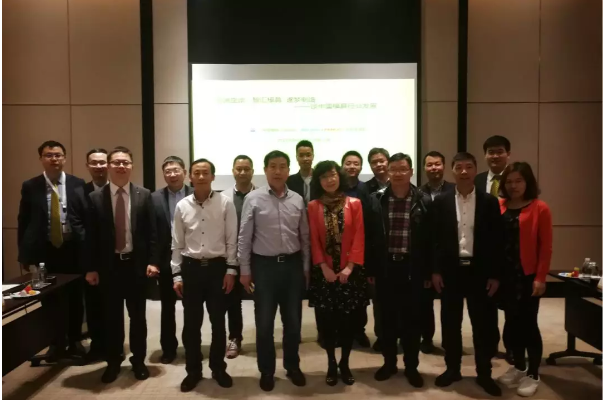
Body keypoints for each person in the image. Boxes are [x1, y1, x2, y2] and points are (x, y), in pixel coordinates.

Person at [431, 152, 504, 397]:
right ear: (452, 170)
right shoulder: (440, 201)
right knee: (450, 323)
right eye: (459, 167)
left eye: (468, 167)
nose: (464, 171)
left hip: (480, 271)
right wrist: (435, 270)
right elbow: (435, 240)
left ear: (475, 169)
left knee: (483, 324)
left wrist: (495, 275)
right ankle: (453, 369)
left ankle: (484, 373)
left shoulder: (489, 202)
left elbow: (497, 241)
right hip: (450, 271)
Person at [86, 146, 159, 383]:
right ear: (109, 166)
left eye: (125, 162)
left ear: (131, 166)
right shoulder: (95, 197)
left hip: (136, 266)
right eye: (116, 162)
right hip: (109, 268)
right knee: (112, 318)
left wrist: (153, 261)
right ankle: (113, 361)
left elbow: (152, 233)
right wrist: (91, 267)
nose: (121, 166)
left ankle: (138, 361)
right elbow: (90, 237)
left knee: (138, 317)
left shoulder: (144, 195)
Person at [238, 150, 310, 392]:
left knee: (293, 323)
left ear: (289, 170)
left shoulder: (297, 199)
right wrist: (245, 270)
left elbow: (304, 236)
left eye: (282, 166)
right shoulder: (253, 199)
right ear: (265, 169)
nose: (278, 171)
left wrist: (306, 268)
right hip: (264, 268)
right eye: (273, 166)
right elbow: (244, 237)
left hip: (292, 266)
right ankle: (266, 370)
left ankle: (292, 366)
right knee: (265, 323)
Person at [365, 153, 432, 388]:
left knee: (412, 321)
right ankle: (389, 363)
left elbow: (431, 241)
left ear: (411, 172)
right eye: (393, 169)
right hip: (385, 268)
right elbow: (370, 237)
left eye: (403, 169)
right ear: (388, 172)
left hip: (413, 268)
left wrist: (428, 272)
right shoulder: (376, 199)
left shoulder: (424, 200)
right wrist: (371, 267)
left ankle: (411, 367)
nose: (398, 173)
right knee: (387, 320)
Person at [171, 158, 237, 392]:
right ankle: (193, 370)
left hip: (217, 269)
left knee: (218, 322)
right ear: (190, 176)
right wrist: (176, 274)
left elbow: (231, 240)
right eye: (196, 173)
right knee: (191, 324)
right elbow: (177, 243)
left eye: (205, 173)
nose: (200, 177)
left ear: (213, 177)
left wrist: (231, 270)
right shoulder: (182, 206)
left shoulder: (225, 203)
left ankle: (218, 368)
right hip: (191, 269)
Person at [18, 140, 86, 361]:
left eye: (58, 155)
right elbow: (24, 220)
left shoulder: (77, 183)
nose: (54, 159)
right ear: (41, 159)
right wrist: (24, 254)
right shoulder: (31, 186)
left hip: (72, 248)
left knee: (75, 297)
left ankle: (74, 340)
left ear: (64, 158)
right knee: (48, 299)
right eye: (49, 155)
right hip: (45, 250)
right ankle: (55, 343)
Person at [307, 161, 367, 386]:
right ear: (318, 182)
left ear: (339, 177)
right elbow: (313, 240)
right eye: (324, 177)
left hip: (350, 273)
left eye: (332, 175)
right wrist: (324, 267)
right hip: (324, 274)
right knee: (327, 323)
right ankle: (331, 362)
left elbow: (359, 236)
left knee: (348, 323)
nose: (329, 180)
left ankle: (345, 363)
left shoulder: (355, 203)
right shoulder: (313, 206)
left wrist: (350, 267)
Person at [496, 162, 552, 398]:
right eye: (509, 181)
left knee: (528, 325)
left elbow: (545, 247)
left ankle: (533, 373)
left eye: (518, 181)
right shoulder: (499, 205)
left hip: (527, 276)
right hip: (504, 276)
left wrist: (540, 277)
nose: (513, 186)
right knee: (511, 323)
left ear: (527, 182)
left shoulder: (540, 208)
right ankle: (519, 367)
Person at [474, 135, 513, 363]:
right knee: (486, 306)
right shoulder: (477, 180)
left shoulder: (515, 179)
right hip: (484, 254)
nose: (495, 156)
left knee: (511, 306)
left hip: (510, 251)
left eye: (500, 151)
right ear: (485, 155)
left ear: (508, 154)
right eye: (491, 152)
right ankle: (489, 345)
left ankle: (512, 347)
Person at [151, 156, 193, 364]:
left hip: (192, 257)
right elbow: (151, 232)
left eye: (176, 170)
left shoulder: (196, 193)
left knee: (191, 306)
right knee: (167, 307)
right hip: (166, 259)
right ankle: (168, 348)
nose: (172, 174)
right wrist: (154, 261)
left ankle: (191, 346)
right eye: (168, 171)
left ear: (184, 172)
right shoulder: (154, 198)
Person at [418, 150, 456, 355]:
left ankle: (450, 340)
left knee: (449, 302)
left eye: (437, 164)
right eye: (430, 164)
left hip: (449, 253)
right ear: (424, 168)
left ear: (444, 166)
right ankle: (427, 338)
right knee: (425, 303)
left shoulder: (455, 190)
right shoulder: (417, 193)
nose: (434, 168)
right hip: (426, 253)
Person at [221, 155, 256, 359]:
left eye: (246, 169)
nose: (242, 172)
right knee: (232, 301)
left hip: (258, 257)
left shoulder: (262, 195)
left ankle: (264, 338)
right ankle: (235, 338)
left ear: (253, 171)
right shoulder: (223, 197)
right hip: (232, 257)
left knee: (262, 301)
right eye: (239, 169)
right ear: (233, 171)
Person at [79, 148, 109, 364]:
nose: (99, 166)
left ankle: (114, 345)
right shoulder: (80, 192)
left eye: (102, 162)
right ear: (87, 166)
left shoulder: (118, 190)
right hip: (91, 257)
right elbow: (78, 225)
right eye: (94, 163)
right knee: (93, 305)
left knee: (113, 306)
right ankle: (97, 346)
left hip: (116, 258)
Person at [341, 150, 372, 349]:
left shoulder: (365, 189)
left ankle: (359, 331)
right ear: (342, 165)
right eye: (348, 163)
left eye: (356, 163)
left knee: (359, 295)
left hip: (360, 248)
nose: (352, 166)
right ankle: (340, 331)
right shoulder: (336, 188)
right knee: (340, 292)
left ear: (361, 167)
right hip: (337, 249)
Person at [286, 140, 316, 205]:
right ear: (297, 157)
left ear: (313, 156)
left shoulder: (320, 179)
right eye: (301, 156)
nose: (305, 159)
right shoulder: (289, 181)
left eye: (308, 155)